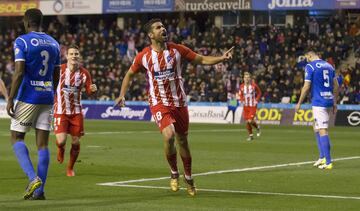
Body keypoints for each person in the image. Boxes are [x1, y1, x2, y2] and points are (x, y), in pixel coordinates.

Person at [115, 18, 234, 196]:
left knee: (183, 141)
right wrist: (122, 94)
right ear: (150, 35)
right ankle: (173, 172)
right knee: (168, 135)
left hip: (179, 103)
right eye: (158, 27)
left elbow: (201, 60)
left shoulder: (177, 49)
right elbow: (129, 74)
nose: (163, 29)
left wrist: (221, 58)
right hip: (158, 103)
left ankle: (189, 178)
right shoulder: (144, 56)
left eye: (163, 26)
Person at [6, 8, 60, 200]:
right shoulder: (54, 43)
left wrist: (10, 98)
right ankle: (40, 191)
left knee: (16, 137)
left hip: (28, 96)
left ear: (26, 22)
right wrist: (51, 91)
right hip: (47, 96)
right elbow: (56, 73)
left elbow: (19, 72)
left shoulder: (22, 41)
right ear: (41, 22)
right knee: (43, 144)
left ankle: (32, 178)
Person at [54, 44, 97, 177]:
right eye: (71, 54)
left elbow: (89, 91)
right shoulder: (59, 70)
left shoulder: (85, 73)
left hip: (76, 112)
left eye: (76, 54)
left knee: (76, 142)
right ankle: (60, 149)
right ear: (66, 56)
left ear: (79, 56)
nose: (74, 56)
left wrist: (92, 90)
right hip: (61, 111)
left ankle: (70, 168)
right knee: (61, 141)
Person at [295, 51, 339, 170]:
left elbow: (306, 86)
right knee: (316, 126)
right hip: (329, 100)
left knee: (323, 130)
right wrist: (335, 102)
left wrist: (299, 102)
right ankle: (322, 156)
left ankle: (328, 162)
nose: (306, 60)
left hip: (319, 102)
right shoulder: (329, 66)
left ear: (310, 56)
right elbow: (336, 86)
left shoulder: (310, 66)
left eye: (306, 58)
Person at [238, 72, 261, 141]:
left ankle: (257, 128)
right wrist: (241, 100)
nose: (247, 79)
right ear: (243, 79)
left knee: (250, 120)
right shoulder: (241, 86)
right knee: (247, 122)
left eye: (248, 77)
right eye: (245, 77)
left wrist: (256, 100)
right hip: (245, 106)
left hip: (252, 106)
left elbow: (259, 93)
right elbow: (240, 94)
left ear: (250, 78)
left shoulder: (254, 86)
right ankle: (251, 136)